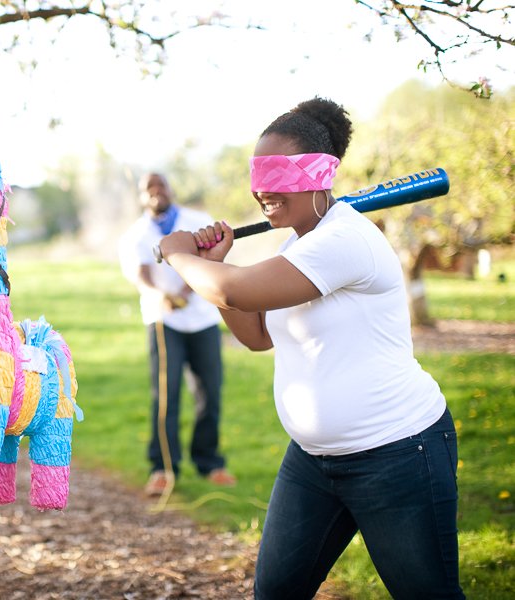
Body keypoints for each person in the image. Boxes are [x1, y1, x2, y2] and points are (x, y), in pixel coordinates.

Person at [156, 97, 463, 598]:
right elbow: (256, 335)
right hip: (313, 461)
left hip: (397, 453)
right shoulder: (296, 245)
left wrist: (179, 256)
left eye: (277, 172)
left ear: (320, 173)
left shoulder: (345, 240)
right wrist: (214, 261)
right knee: (276, 592)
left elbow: (232, 291)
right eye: (257, 173)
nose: (262, 188)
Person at [118, 172, 236, 498]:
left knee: (210, 392)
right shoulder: (136, 234)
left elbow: (210, 261)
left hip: (203, 318)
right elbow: (141, 274)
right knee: (166, 396)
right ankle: (163, 468)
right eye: (149, 188)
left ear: (171, 189)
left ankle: (210, 463)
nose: (156, 192)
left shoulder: (197, 221)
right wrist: (162, 296)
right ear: (142, 196)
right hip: (162, 320)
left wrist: (185, 291)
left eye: (161, 186)